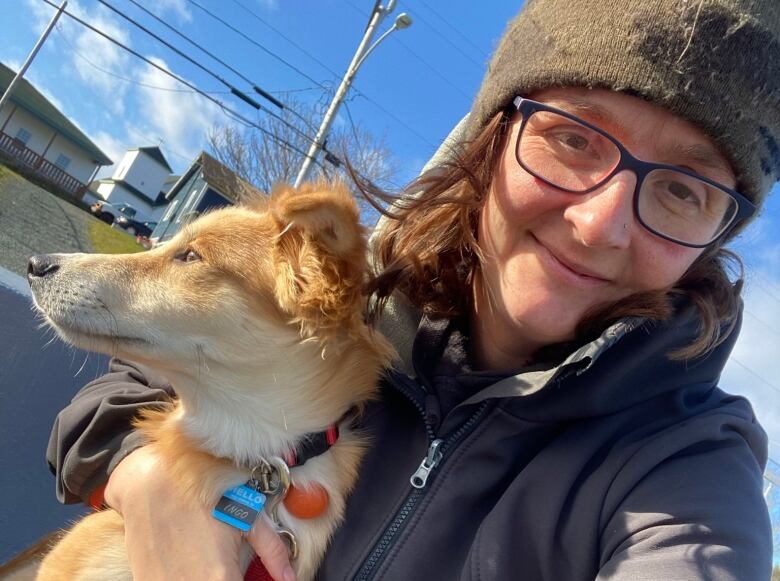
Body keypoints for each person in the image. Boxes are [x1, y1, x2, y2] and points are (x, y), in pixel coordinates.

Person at [47, 0, 779, 579]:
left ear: (717, 234)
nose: (599, 225)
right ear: (490, 142)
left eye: (684, 189)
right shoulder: (350, 305)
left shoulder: (687, 473)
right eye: (575, 138)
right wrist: (148, 479)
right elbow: (114, 397)